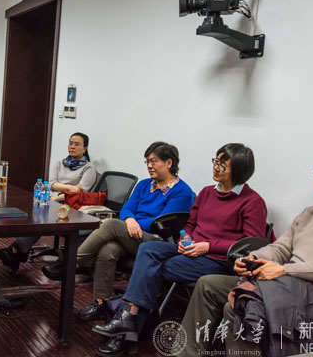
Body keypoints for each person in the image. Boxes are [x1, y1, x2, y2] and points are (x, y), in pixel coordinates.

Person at [93, 143, 268, 356]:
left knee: (151, 269)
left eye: (223, 165)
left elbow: (250, 245)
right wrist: (186, 237)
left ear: (239, 171)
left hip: (217, 260)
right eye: (216, 161)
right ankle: (129, 321)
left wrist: (209, 246)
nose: (216, 167)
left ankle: (128, 327)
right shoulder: (207, 192)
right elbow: (190, 223)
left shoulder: (252, 202)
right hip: (191, 250)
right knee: (148, 249)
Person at [179, 150, 313, 356]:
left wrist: (285, 270)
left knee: (242, 305)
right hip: (284, 285)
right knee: (208, 285)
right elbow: (281, 247)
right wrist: (253, 258)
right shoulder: (309, 213)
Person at [41, 141, 195, 322]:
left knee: (111, 225)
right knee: (108, 251)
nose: (149, 166)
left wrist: (132, 223)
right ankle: (102, 302)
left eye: (154, 161)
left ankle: (71, 262)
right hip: (133, 233)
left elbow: (160, 222)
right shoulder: (144, 184)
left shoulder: (182, 192)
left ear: (169, 163)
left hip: (157, 241)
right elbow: (127, 209)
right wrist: (129, 220)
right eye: (147, 161)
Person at [0, 132, 97, 272]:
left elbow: (80, 191)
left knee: (40, 219)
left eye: (76, 144)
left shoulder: (89, 168)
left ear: (85, 148)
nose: (72, 146)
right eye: (70, 143)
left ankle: (15, 250)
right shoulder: (60, 163)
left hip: (71, 206)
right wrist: (69, 188)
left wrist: (58, 195)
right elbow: (51, 184)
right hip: (52, 200)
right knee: (34, 215)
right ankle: (16, 251)